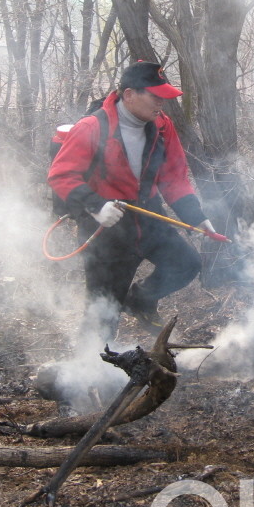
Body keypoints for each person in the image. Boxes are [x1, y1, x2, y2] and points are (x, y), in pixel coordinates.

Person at [48, 60, 216, 342]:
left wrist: (195, 216)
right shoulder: (92, 127)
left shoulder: (162, 126)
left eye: (164, 96)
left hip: (148, 217)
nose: (161, 103)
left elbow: (174, 178)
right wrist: (96, 205)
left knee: (186, 264)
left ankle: (139, 301)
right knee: (103, 311)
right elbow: (61, 175)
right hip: (106, 228)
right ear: (129, 94)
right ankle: (92, 364)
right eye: (155, 96)